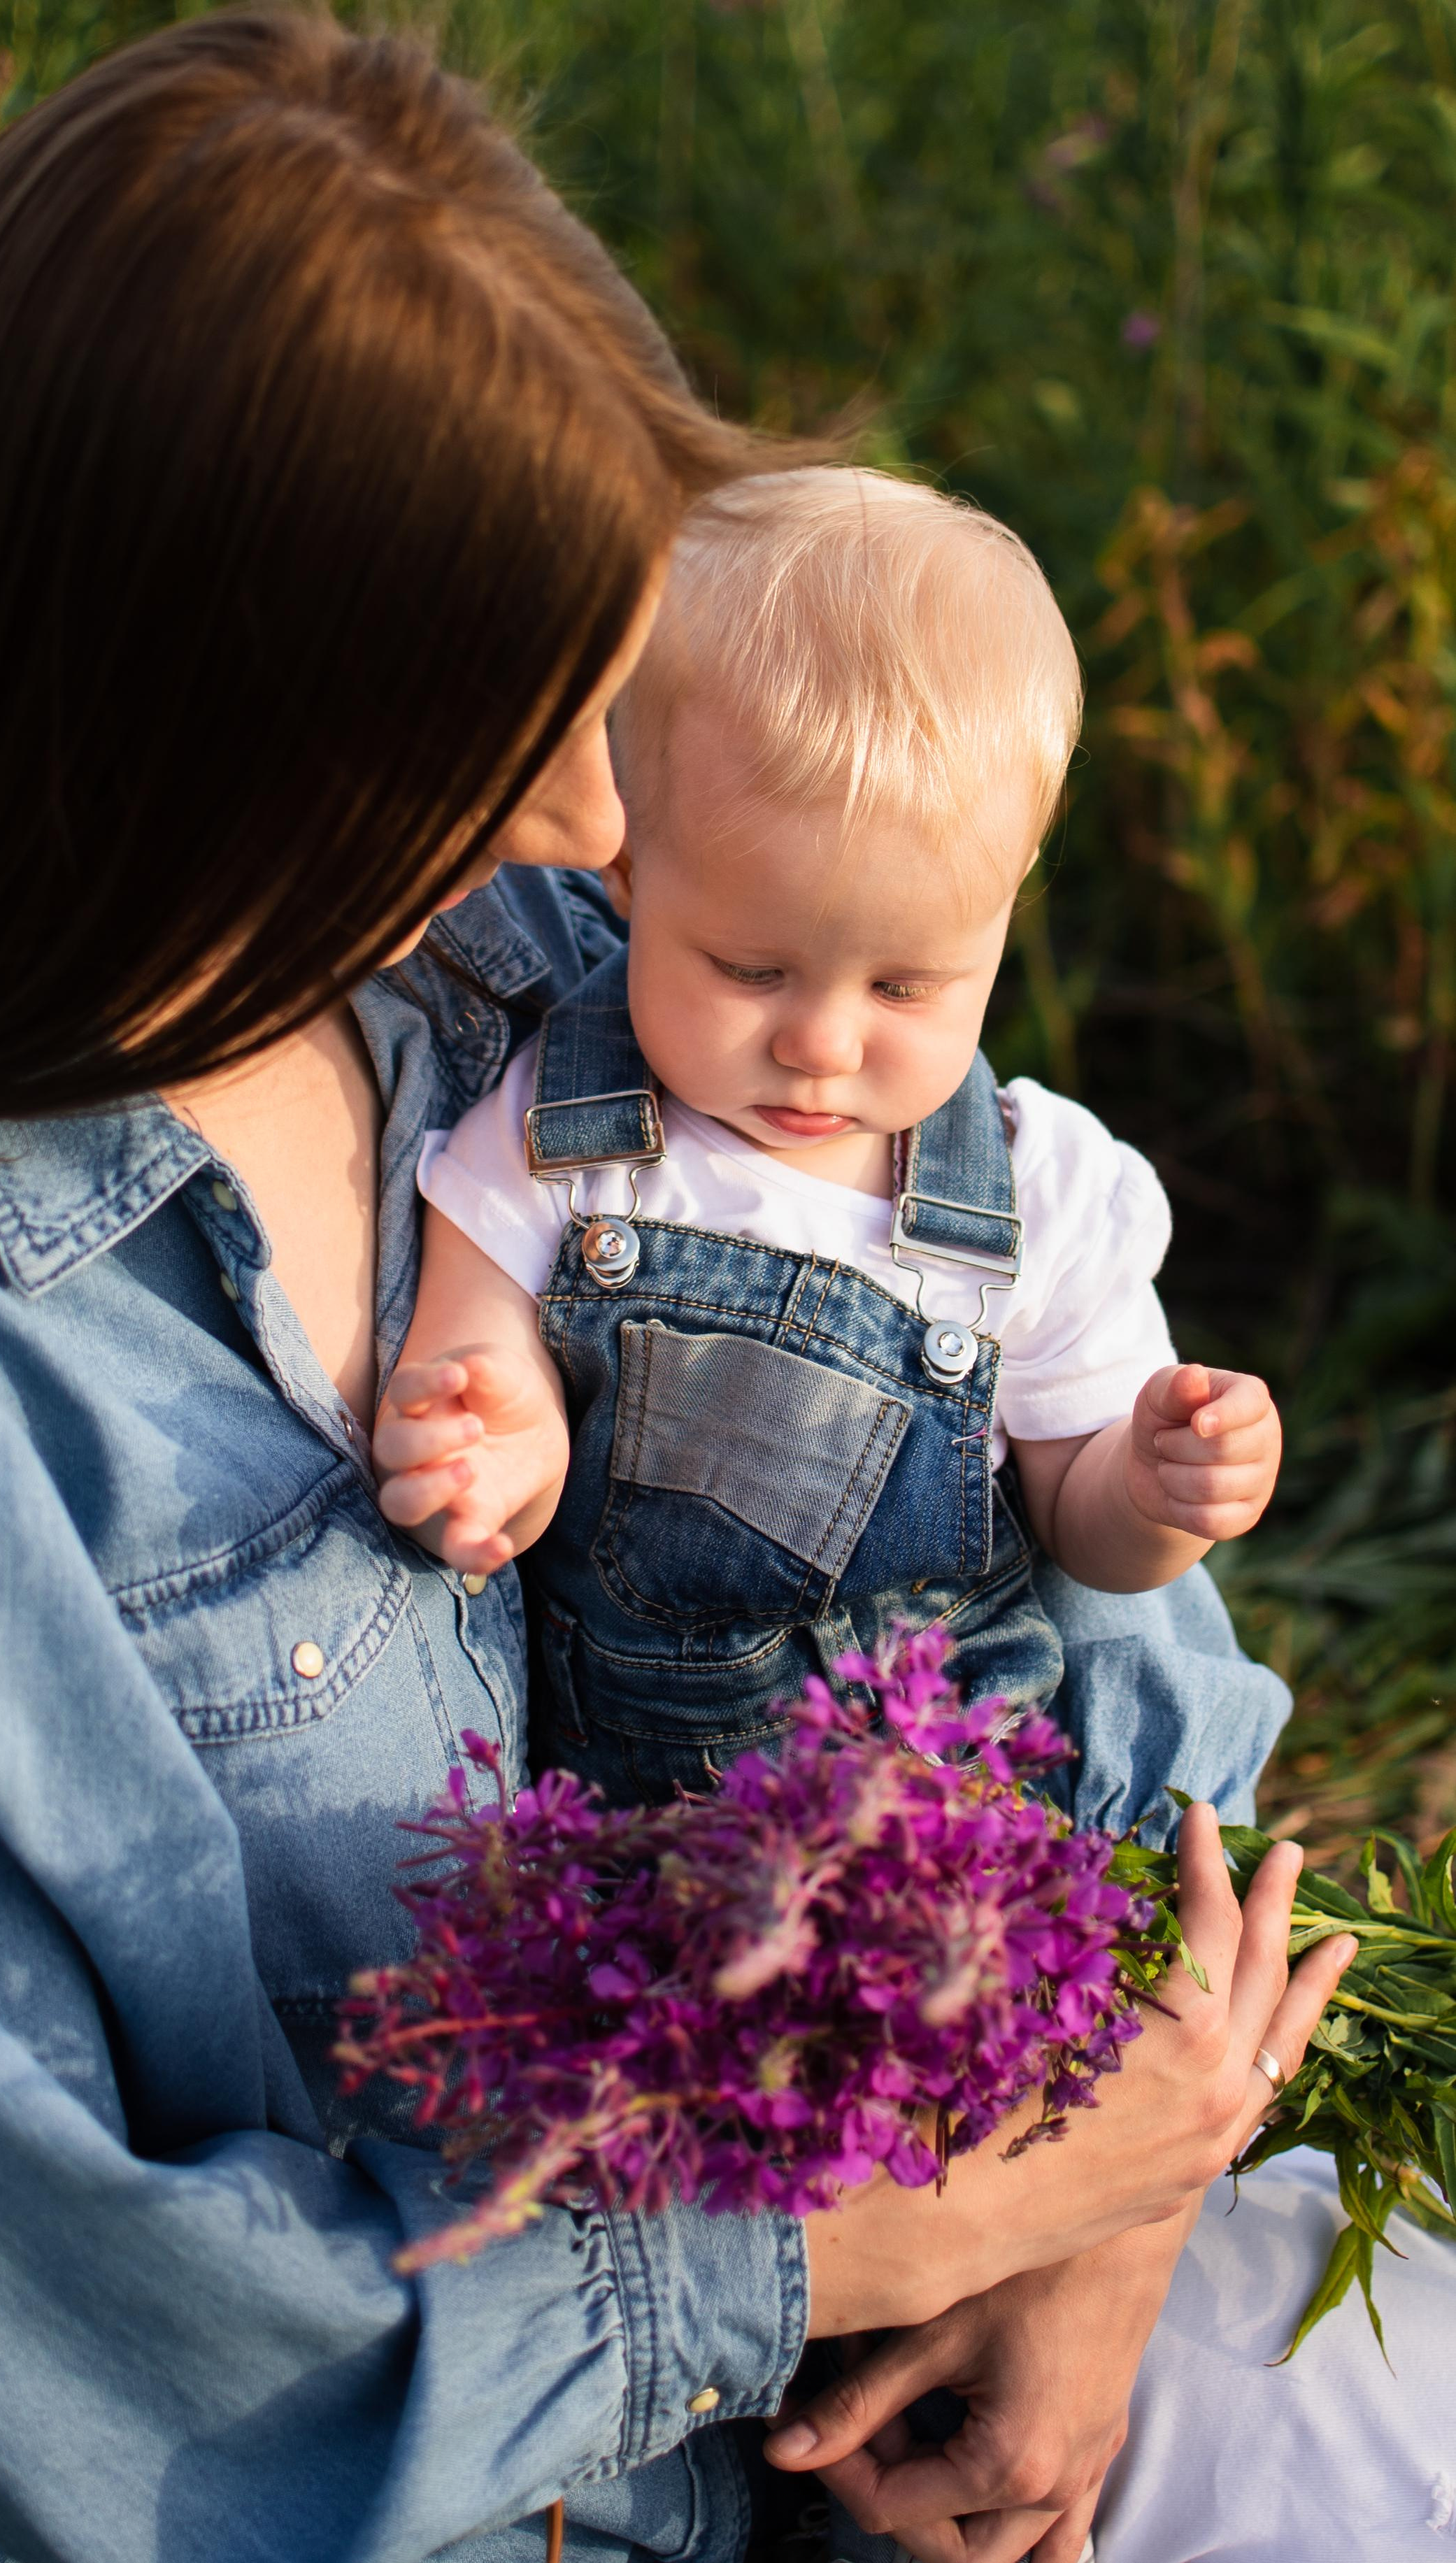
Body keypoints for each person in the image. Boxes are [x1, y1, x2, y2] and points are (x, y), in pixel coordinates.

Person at [0, 15, 1411, 2563]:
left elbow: (1064, 1605)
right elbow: (75, 2326)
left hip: (900, 2372)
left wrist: (1106, 2216)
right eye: (513, 711)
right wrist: (868, 2242)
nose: (610, 816)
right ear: (215, 717)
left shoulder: (547, 970)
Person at [378, 469, 1285, 1827]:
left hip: (969, 1825)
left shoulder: (1043, 1192)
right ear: (625, 873)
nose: (819, 1043)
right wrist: (495, 1437)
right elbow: (475, 1339)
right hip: (656, 1830)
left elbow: (1079, 1526)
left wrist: (1158, 1491)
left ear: (1004, 905)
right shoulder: (564, 1134)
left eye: (905, 987)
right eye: (749, 969)